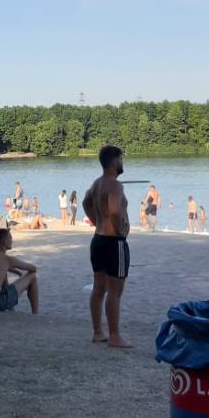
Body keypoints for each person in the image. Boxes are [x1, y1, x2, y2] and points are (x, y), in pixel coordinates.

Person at [83, 145, 130, 348]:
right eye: (121, 159)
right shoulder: (115, 185)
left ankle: (97, 332)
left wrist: (95, 220)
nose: (122, 163)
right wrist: (121, 228)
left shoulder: (96, 183)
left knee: (99, 288)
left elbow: (86, 202)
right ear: (114, 162)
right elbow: (113, 209)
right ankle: (115, 335)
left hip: (98, 240)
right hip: (113, 242)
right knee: (115, 291)